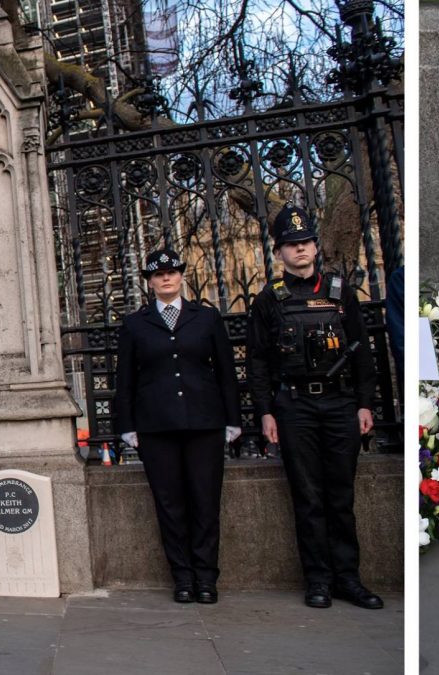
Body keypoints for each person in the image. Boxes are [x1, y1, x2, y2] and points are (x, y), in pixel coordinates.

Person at [245, 204, 383, 610]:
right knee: (307, 497)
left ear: (315, 247)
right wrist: (266, 411)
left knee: (340, 496)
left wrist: (364, 403)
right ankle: (318, 580)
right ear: (279, 252)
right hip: (295, 406)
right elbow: (258, 361)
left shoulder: (340, 291)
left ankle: (348, 579)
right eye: (291, 244)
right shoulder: (270, 299)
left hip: (341, 404)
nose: (299, 250)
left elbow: (362, 352)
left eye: (305, 242)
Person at [114, 249, 241, 604]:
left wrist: (233, 419)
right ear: (150, 282)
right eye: (158, 275)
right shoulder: (135, 324)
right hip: (157, 426)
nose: (166, 278)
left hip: (204, 422)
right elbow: (124, 378)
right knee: (170, 505)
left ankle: (206, 576)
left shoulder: (206, 318)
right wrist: (127, 426)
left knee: (205, 501)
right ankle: (182, 576)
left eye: (172, 272)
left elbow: (227, 373)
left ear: (181, 276)